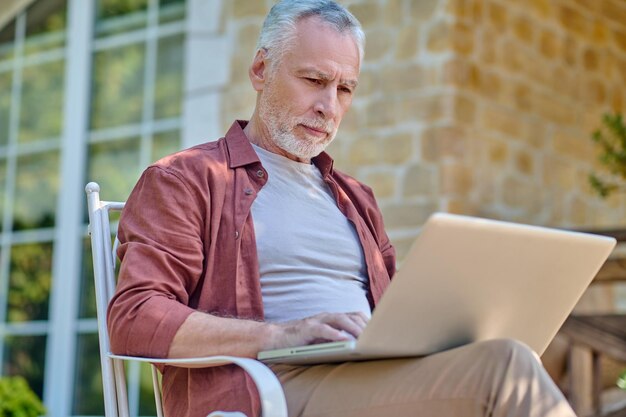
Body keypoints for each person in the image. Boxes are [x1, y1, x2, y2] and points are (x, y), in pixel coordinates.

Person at [108, 1, 577, 416]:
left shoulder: (355, 198)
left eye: (345, 89)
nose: (328, 107)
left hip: (370, 377)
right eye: (314, 80)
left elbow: (394, 312)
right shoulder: (188, 178)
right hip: (267, 391)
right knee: (505, 369)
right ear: (260, 70)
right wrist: (283, 336)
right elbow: (134, 318)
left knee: (511, 354)